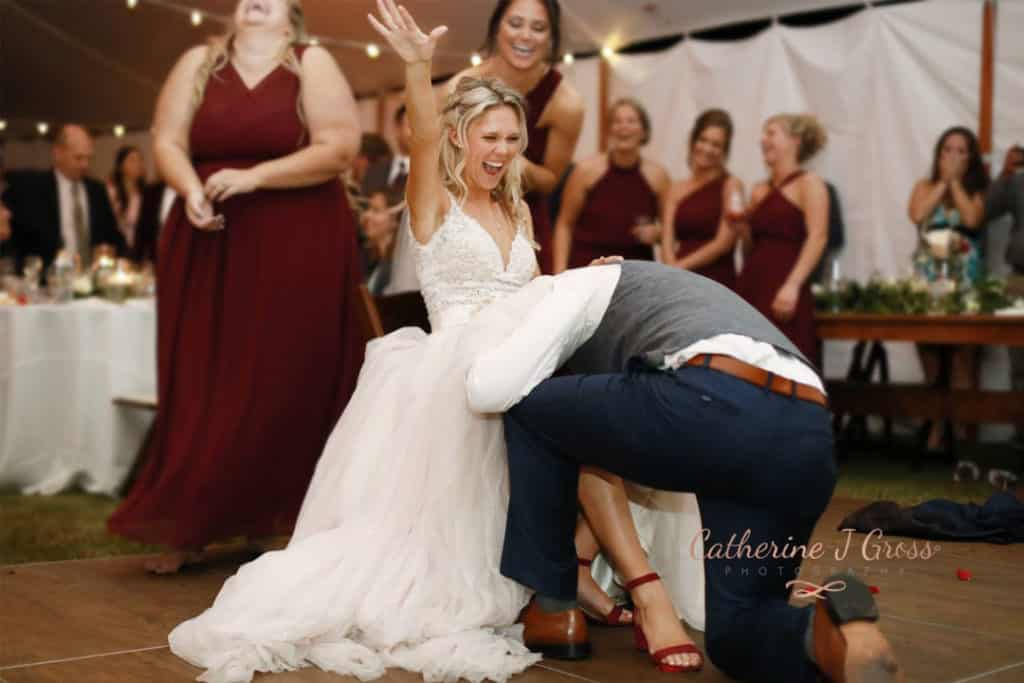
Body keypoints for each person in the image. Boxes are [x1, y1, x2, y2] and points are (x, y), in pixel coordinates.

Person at [168, 3, 550, 680]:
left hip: (522, 362)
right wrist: (415, 65)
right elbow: (424, 137)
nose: (500, 151)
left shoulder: (516, 207)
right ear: (464, 138)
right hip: (458, 376)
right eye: (488, 137)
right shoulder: (436, 198)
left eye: (513, 140)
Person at [464, 259, 903, 683]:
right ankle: (830, 637)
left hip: (715, 399)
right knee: (737, 636)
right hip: (808, 433)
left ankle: (555, 607)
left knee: (531, 408)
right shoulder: (675, 290)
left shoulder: (572, 285)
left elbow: (489, 390)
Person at [107, 0, 365, 574]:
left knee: (285, 376)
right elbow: (168, 141)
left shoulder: (312, 61)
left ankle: (279, 517)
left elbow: (340, 148)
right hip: (209, 239)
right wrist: (188, 188)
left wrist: (254, 178)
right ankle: (191, 522)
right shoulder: (198, 61)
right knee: (204, 378)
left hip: (297, 241)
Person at [448, 0, 583, 274]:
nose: (525, 36)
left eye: (538, 27)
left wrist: (516, 163)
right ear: (497, 28)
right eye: (515, 23)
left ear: (551, 38)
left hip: (525, 223)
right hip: (462, 217)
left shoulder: (566, 103)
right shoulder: (461, 87)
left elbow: (550, 181)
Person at [907, 126, 990, 452]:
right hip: (929, 279)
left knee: (961, 357)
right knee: (929, 352)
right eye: (947, 150)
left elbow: (971, 220)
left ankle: (962, 434)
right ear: (938, 154)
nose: (953, 156)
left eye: (961, 151)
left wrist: (955, 182)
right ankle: (936, 426)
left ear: (971, 158)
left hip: (965, 280)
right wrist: (942, 181)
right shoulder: (924, 186)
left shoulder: (979, 191)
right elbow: (916, 213)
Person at [735, 114, 829, 368]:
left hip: (785, 285)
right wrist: (743, 231)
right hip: (753, 282)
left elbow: (818, 236)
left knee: (785, 364)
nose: (762, 140)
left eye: (771, 133)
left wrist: (792, 286)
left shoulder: (809, 184)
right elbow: (750, 248)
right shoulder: (758, 190)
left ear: (794, 141)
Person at [551, 98, 668, 273]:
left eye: (631, 121)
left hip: (636, 272)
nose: (623, 127)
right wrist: (560, 274)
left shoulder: (658, 176)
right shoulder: (585, 171)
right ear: (609, 131)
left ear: (644, 131)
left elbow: (671, 231)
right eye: (617, 121)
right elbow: (564, 224)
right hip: (588, 267)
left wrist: (658, 234)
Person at [1, 124, 123, 271]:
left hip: (91, 280)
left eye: (89, 158)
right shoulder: (30, 188)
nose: (85, 165)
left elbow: (111, 234)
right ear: (57, 153)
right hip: (47, 282)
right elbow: (11, 236)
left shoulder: (97, 190)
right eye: (78, 158)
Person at [661, 108, 743, 289]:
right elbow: (667, 239)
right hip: (678, 281)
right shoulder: (675, 188)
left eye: (716, 144)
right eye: (703, 140)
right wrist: (670, 268)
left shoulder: (731, 185)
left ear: (724, 150)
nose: (707, 149)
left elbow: (723, 243)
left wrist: (679, 267)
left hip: (715, 280)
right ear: (693, 141)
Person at [986, 145, 1024, 452]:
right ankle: (1021, 436)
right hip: (1020, 277)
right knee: (1020, 362)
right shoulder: (1018, 179)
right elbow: (984, 210)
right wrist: (1005, 174)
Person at [106, 145, 147, 252]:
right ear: (121, 165)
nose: (138, 164)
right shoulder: (111, 192)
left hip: (139, 248)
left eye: (140, 160)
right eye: (132, 160)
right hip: (117, 246)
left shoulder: (145, 194)